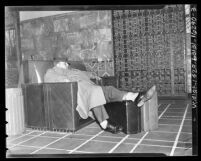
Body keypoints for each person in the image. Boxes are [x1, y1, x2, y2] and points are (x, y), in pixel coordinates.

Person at [44, 59, 156, 134]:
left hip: (90, 88)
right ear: (58, 64)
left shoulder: (74, 70)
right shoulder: (53, 71)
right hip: (80, 91)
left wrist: (95, 75)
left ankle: (136, 97)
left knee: (109, 89)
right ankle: (104, 123)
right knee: (95, 92)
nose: (68, 65)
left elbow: (87, 74)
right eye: (65, 63)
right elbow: (48, 78)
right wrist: (64, 80)